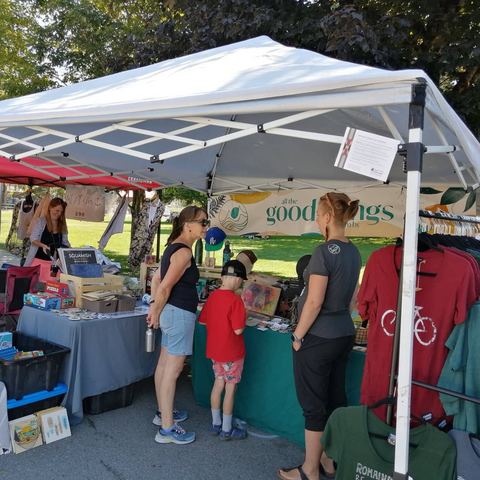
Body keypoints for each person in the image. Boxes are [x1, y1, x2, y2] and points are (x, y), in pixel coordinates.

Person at [278, 192, 361, 480]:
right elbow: (353, 299)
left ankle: (309, 470)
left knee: (314, 404)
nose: (315, 219)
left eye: (317, 214)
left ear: (327, 217)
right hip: (343, 333)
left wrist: (298, 335)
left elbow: (313, 301)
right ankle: (327, 460)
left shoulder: (323, 252)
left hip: (319, 336)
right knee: (335, 397)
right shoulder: (355, 251)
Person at [147, 206, 210, 445]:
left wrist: (155, 307)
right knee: (173, 370)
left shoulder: (174, 247)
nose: (206, 226)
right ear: (188, 225)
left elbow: (156, 278)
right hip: (179, 314)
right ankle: (166, 429)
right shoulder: (183, 253)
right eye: (203, 222)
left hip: (173, 313)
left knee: (165, 365)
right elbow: (163, 285)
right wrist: (155, 308)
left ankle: (164, 413)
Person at [198, 260, 248, 441]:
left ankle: (215, 424)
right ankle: (227, 429)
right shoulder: (236, 301)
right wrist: (245, 313)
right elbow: (238, 330)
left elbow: (202, 320)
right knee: (230, 388)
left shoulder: (212, 297)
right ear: (237, 280)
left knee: (218, 385)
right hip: (232, 353)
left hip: (215, 352)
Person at [24, 198, 70, 283]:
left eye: (61, 212)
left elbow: (65, 243)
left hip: (54, 263)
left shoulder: (62, 224)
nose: (59, 214)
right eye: (57, 210)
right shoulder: (40, 221)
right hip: (38, 261)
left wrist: (70, 250)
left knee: (53, 288)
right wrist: (43, 245)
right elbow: (33, 239)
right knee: (34, 287)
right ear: (50, 208)